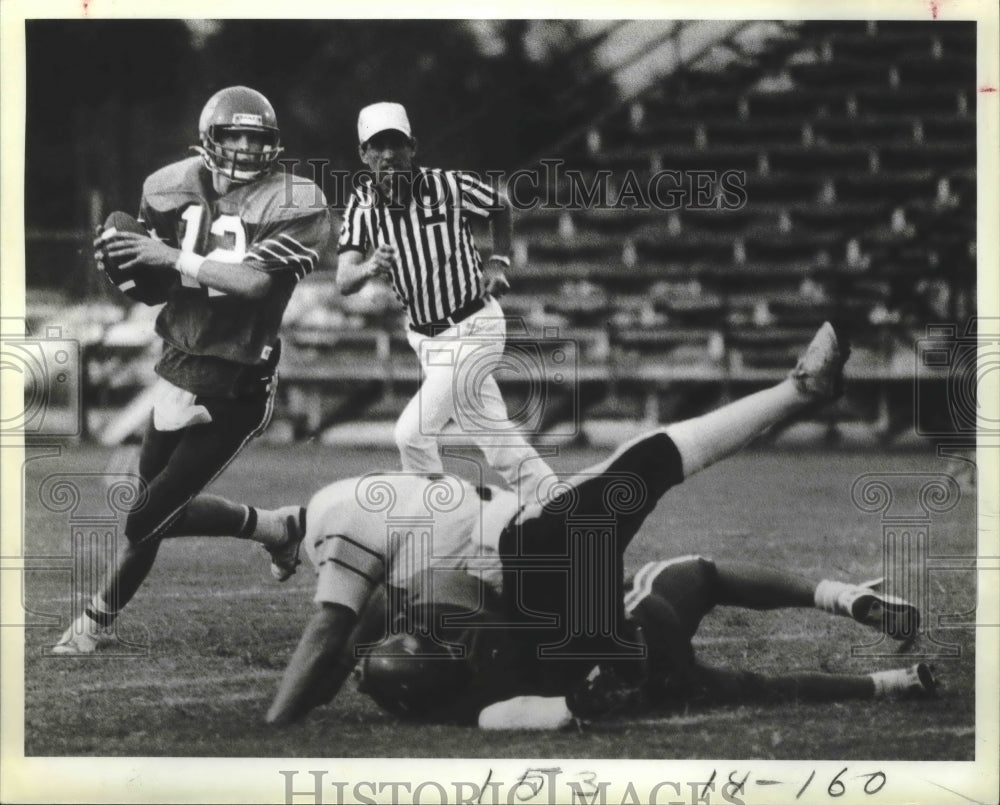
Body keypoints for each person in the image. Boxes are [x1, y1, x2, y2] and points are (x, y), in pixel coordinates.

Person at [265, 321, 885, 725]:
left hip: (556, 602)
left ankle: (886, 679)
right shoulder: (354, 522)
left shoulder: (342, 531)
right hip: (544, 574)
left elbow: (339, 639)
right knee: (647, 470)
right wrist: (294, 709)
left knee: (643, 484)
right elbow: (336, 637)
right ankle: (800, 394)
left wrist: (294, 710)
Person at [53, 86, 331, 655]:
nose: (245, 147)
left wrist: (171, 257)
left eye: (256, 137)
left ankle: (92, 624)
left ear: (273, 144)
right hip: (178, 365)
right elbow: (154, 281)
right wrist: (131, 267)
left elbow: (253, 283)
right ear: (209, 138)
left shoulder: (295, 200)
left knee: (144, 517)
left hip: (238, 379)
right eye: (234, 135)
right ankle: (277, 528)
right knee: (151, 510)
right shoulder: (168, 186)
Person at [336, 101, 553, 507]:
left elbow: (499, 206)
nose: (388, 154)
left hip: (475, 324)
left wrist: (498, 261)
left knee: (411, 434)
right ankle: (558, 506)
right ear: (363, 154)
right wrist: (369, 267)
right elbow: (344, 280)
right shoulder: (361, 206)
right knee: (498, 441)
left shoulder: (448, 185)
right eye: (377, 146)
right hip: (427, 340)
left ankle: (439, 518)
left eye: (396, 143)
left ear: (413, 146)